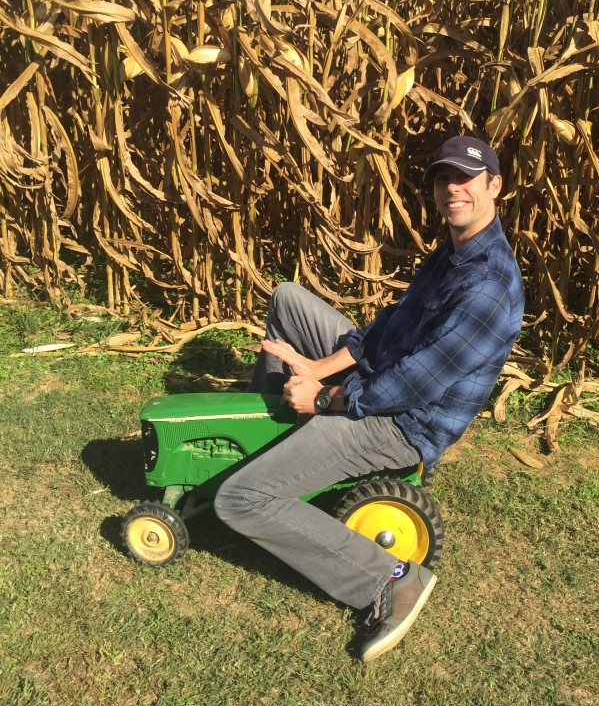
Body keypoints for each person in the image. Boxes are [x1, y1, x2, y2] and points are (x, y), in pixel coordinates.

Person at [214, 136, 524, 661]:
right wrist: (315, 369)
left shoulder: (487, 285)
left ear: (494, 185)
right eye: (443, 179)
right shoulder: (454, 252)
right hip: (382, 381)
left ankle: (392, 582)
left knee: (239, 500)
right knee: (289, 299)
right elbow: (388, 330)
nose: (453, 189)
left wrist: (325, 398)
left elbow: (412, 386)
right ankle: (270, 438)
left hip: (404, 424)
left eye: (467, 179)